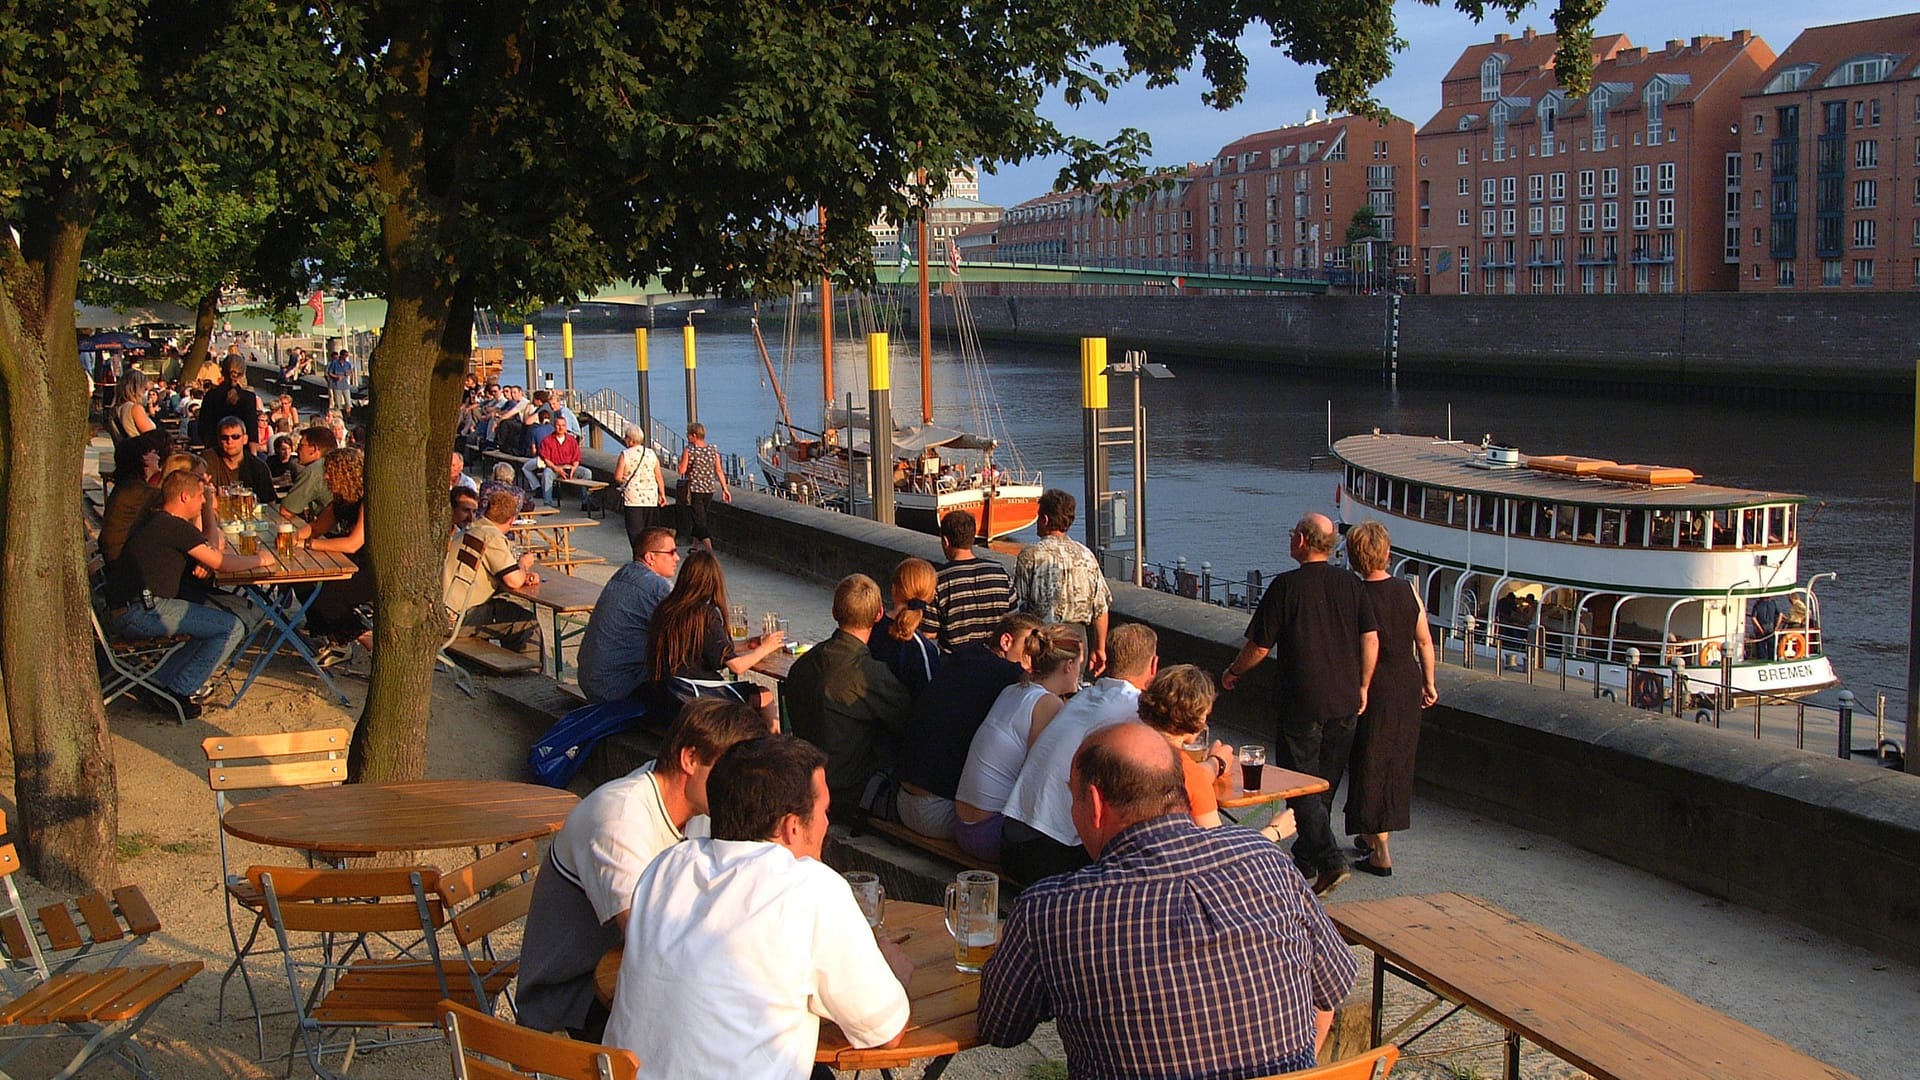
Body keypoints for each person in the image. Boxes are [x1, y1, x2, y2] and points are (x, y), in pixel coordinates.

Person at [978, 723, 1358, 1077]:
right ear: (1179, 787)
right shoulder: (1266, 861)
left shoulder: (1053, 910)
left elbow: (1000, 1026)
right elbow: (1332, 988)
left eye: (1071, 797)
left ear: (1094, 804)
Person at [602, 735, 912, 1078]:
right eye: (824, 812)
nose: (826, 824)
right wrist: (894, 972)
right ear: (792, 827)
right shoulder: (810, 887)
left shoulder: (666, 866)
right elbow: (886, 1031)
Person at [517, 699, 768, 1040]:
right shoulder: (619, 818)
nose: (741, 789)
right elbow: (650, 938)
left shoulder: (697, 811)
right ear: (690, 759)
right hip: (573, 999)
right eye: (731, 773)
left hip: (633, 978)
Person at [1222, 512, 1378, 896]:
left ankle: (1328, 859)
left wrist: (1232, 672)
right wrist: (1363, 685)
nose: (1290, 539)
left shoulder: (1286, 587)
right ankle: (1306, 859)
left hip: (1302, 700)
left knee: (1300, 784)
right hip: (1344, 698)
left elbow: (1259, 645)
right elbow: (1370, 638)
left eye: (1293, 534)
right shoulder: (1350, 584)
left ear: (1304, 542)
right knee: (1323, 785)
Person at [104, 470, 278, 719]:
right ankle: (179, 691)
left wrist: (206, 536)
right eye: (201, 497)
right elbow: (221, 563)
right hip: (141, 612)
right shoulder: (173, 526)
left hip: (129, 606)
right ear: (185, 497)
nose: (204, 501)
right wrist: (260, 559)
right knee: (230, 627)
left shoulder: (156, 519)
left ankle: (160, 683)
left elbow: (208, 549)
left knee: (213, 622)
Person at [999, 622, 1159, 883]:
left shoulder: (1084, 698)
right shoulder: (1134, 712)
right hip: (1048, 856)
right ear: (1153, 665)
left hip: (1010, 840)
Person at [893, 612, 1043, 843]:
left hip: (903, 801)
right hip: (941, 812)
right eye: (1029, 651)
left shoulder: (964, 657)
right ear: (1006, 641)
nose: (1032, 664)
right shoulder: (1009, 677)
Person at [1342, 521, 1438, 877]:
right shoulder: (1407, 591)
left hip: (1372, 681)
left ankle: (1380, 849)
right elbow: (1425, 641)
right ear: (1386, 553)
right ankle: (1372, 835)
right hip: (1404, 679)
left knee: (1369, 758)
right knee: (1396, 757)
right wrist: (1428, 682)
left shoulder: (1353, 593)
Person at [785, 573, 913, 817]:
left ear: (834, 612)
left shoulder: (803, 664)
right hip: (851, 791)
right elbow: (907, 721)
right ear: (878, 615)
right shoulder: (870, 674)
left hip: (806, 780)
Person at [953, 624, 1082, 861]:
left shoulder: (1013, 690)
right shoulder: (1048, 705)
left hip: (963, 825)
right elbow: (1041, 779)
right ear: (1069, 666)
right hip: (991, 833)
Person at [645, 549, 784, 729]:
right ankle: (775, 752)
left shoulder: (667, 608)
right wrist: (764, 648)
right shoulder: (705, 614)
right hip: (697, 692)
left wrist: (750, 644)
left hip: (670, 692)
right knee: (764, 696)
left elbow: (705, 647)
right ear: (714, 581)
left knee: (748, 699)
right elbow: (736, 666)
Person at [1012, 489, 1111, 677]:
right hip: (1077, 641)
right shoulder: (1086, 556)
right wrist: (1100, 648)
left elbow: (1019, 604)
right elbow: (1100, 607)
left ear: (1046, 519)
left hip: (1043, 639)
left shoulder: (1031, 556)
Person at [576, 527, 679, 705]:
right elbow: (685, 628)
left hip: (590, 680)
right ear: (650, 557)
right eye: (671, 552)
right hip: (618, 687)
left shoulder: (623, 573)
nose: (677, 558)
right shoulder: (657, 586)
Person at [292, 448, 373, 662]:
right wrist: (291, 538)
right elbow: (316, 527)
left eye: (330, 471)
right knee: (302, 581)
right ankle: (337, 640)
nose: (326, 477)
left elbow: (353, 544)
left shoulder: (368, 500)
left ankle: (365, 639)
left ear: (345, 473)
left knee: (328, 594)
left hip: (373, 568)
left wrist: (307, 545)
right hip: (353, 562)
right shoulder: (341, 500)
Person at [1134, 663, 1237, 829]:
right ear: (1200, 718)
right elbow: (1216, 844)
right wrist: (1274, 831)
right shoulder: (1190, 774)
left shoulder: (1123, 750)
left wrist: (1215, 763)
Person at [442, 488, 540, 643]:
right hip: (456, 618)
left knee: (505, 611)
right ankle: (526, 668)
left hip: (444, 608)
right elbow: (514, 581)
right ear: (512, 520)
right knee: (525, 622)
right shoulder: (491, 536)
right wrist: (523, 564)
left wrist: (517, 573)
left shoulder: (472, 528)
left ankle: (508, 665)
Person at [926, 510, 1016, 652]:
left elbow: (929, 632)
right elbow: (1013, 619)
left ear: (945, 541)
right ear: (972, 538)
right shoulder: (1000, 573)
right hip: (995, 661)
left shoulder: (938, 580)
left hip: (956, 664)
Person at [868, 557, 941, 699]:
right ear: (931, 596)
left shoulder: (870, 628)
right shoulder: (923, 650)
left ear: (894, 590)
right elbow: (928, 699)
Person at [98, 441, 166, 563]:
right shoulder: (137, 490)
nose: (158, 457)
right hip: (121, 560)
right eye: (154, 453)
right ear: (143, 458)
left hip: (116, 555)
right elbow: (174, 502)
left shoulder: (127, 485)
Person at [676, 422, 730, 553]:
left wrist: (682, 463)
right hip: (709, 489)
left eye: (688, 435)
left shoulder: (689, 450)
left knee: (700, 521)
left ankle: (709, 551)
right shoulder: (713, 450)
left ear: (694, 435)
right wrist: (725, 489)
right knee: (701, 516)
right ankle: (695, 546)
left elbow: (681, 470)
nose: (687, 437)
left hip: (696, 490)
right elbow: (719, 471)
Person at [201, 416, 276, 507]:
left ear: (245, 439)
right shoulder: (207, 460)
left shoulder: (258, 467)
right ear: (218, 439)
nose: (230, 441)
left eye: (235, 437)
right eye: (224, 437)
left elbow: (270, 504)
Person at [612, 425, 664, 552]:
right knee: (650, 532)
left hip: (633, 498)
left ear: (631, 440)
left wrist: (624, 479)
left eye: (626, 437)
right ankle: (650, 554)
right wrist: (662, 494)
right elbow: (659, 476)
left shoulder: (625, 454)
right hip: (651, 497)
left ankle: (638, 555)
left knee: (635, 531)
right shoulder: (651, 454)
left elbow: (618, 477)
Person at [525, 414, 591, 508]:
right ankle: (548, 504)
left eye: (563, 425)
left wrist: (574, 468)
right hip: (554, 468)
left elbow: (576, 458)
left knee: (587, 473)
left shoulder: (571, 440)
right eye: (558, 425)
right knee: (546, 474)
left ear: (566, 426)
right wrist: (556, 468)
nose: (560, 428)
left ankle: (586, 502)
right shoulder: (547, 440)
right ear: (554, 426)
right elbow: (546, 459)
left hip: (569, 467)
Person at [196, 357, 261, 450]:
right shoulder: (248, 397)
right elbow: (252, 432)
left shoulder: (211, 396)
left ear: (222, 371)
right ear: (242, 373)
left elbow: (203, 427)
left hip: (216, 450)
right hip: (242, 453)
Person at [278, 424, 339, 523]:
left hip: (330, 534)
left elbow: (286, 511)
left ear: (314, 449)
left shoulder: (314, 471)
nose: (297, 449)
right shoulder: (340, 463)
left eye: (301, 445)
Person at [1748, 595, 1784, 661]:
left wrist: (1760, 628)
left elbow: (1753, 618)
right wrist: (1776, 627)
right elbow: (1780, 615)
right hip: (1771, 627)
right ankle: (1772, 660)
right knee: (1772, 648)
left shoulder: (1758, 604)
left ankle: (1761, 661)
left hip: (1761, 627)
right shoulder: (1773, 603)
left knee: (1761, 648)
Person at [325, 350, 355, 416]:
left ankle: (348, 416)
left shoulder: (348, 364)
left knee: (348, 402)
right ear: (341, 355)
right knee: (338, 403)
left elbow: (350, 372)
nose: (346, 357)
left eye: (347, 356)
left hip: (345, 385)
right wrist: (336, 377)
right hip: (337, 385)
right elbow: (330, 373)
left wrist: (349, 374)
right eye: (345, 355)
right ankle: (339, 415)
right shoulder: (334, 363)